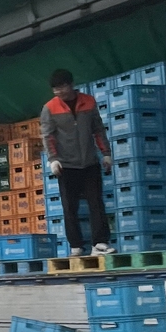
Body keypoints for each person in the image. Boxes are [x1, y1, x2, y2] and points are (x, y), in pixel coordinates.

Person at [41, 69, 115, 257]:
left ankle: (99, 243)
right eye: (56, 89)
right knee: (69, 206)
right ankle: (76, 245)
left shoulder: (88, 102)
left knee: (96, 203)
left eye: (63, 87)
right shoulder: (50, 108)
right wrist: (53, 159)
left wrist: (106, 154)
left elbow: (98, 129)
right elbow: (47, 136)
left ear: (71, 84)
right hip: (66, 165)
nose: (60, 92)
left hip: (90, 162)